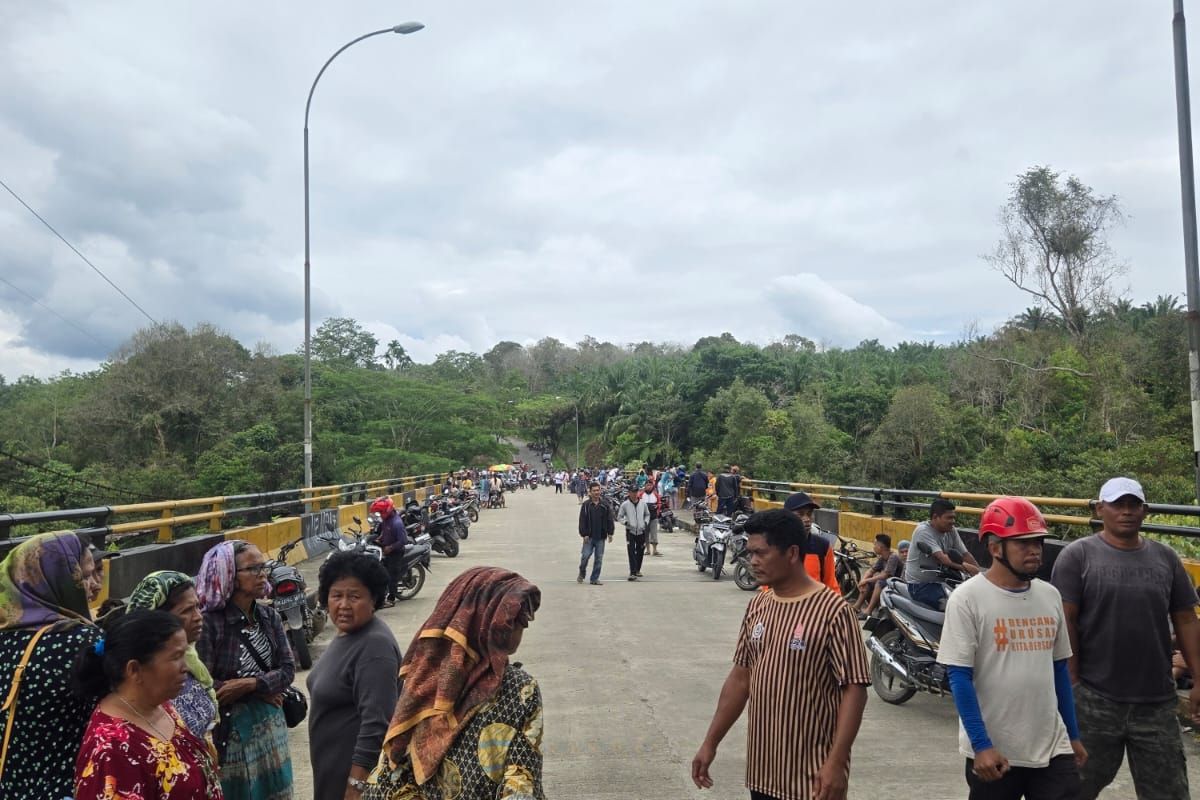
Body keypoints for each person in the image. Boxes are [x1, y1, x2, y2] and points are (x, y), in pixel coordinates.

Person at [692, 509, 869, 800]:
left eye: (761, 553)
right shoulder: (759, 605)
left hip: (813, 780)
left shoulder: (833, 611)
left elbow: (855, 689)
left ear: (792, 553)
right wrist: (710, 742)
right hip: (763, 775)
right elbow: (740, 679)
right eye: (750, 553)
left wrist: (836, 762)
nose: (753, 561)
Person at [1051, 477, 1200, 800]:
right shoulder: (1078, 556)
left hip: (1156, 702)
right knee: (1072, 789)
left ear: (1145, 510)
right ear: (1100, 508)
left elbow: (1186, 619)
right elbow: (1066, 622)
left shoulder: (1166, 559)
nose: (1127, 511)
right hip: (1095, 697)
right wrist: (1073, 684)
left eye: (1134, 504)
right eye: (1118, 504)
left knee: (1169, 792)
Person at [937, 496, 1086, 799]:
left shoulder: (1050, 596)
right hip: (996, 749)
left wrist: (1072, 735)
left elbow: (1059, 670)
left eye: (1038, 542)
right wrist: (981, 746)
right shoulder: (968, 599)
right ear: (995, 548)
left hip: (1050, 745)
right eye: (1023, 543)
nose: (1035, 551)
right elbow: (959, 677)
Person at [365, 567, 544, 800]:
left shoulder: (422, 680)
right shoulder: (520, 689)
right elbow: (522, 778)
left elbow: (394, 768)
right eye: (519, 621)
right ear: (492, 624)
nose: (524, 627)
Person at [73, 609, 223, 799]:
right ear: (134, 670)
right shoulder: (112, 752)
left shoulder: (160, 704)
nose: (185, 667)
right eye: (176, 657)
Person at [0, 531, 102, 800]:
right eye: (83, 575)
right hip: (66, 787)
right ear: (57, 579)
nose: (93, 585)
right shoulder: (83, 640)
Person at [196, 540, 295, 800]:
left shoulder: (268, 617)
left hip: (270, 729)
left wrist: (249, 685)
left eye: (263, 567)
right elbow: (201, 685)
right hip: (231, 734)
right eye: (253, 569)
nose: (262, 574)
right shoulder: (209, 624)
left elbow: (287, 670)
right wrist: (261, 688)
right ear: (229, 574)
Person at [308, 552, 402, 800]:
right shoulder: (347, 635)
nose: (343, 605)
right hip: (329, 772)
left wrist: (356, 786)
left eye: (354, 596)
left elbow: (376, 722)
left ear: (374, 600)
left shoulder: (375, 647)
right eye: (336, 595)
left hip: (349, 779)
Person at [126, 570, 219, 740]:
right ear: (158, 619)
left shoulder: (190, 660)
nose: (199, 617)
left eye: (198, 607)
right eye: (187, 610)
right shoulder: (149, 679)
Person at [904, 498, 980, 609]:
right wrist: (967, 567)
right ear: (935, 517)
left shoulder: (951, 530)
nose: (953, 521)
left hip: (944, 581)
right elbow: (942, 558)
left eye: (954, 517)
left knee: (970, 599)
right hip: (920, 585)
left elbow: (965, 554)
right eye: (949, 518)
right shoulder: (923, 531)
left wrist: (980, 575)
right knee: (953, 607)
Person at [782, 492, 841, 595]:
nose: (807, 519)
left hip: (814, 608)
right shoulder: (776, 546)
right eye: (800, 514)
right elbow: (768, 587)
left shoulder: (823, 546)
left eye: (809, 514)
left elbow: (831, 583)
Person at [851, 535, 903, 618]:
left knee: (879, 583)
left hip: (896, 583)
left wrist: (867, 580)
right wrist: (863, 580)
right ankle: (856, 607)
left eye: (875, 545)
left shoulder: (893, 557)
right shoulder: (882, 557)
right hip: (886, 582)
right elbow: (871, 570)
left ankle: (868, 611)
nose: (874, 547)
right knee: (867, 583)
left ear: (880, 547)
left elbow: (885, 575)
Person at [372, 497, 409, 608]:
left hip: (396, 553)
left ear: (387, 510)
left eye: (380, 512)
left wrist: (391, 547)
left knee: (391, 576)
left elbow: (403, 540)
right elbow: (385, 531)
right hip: (386, 549)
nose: (379, 514)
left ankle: (391, 599)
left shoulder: (397, 523)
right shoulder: (386, 520)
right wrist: (380, 538)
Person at [578, 481, 615, 584]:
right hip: (588, 537)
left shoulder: (605, 505)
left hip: (600, 537)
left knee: (598, 558)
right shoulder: (586, 505)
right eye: (594, 491)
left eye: (598, 490)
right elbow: (582, 520)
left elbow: (609, 519)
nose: (596, 492)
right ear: (590, 492)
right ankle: (582, 572)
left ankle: (594, 578)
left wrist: (610, 533)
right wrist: (584, 533)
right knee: (585, 557)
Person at [617, 485, 651, 581]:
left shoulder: (643, 504)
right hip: (630, 531)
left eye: (636, 492)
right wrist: (626, 523)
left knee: (640, 551)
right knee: (631, 551)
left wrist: (645, 522)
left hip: (641, 531)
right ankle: (632, 572)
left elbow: (647, 514)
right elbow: (619, 516)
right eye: (632, 492)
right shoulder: (625, 504)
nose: (634, 494)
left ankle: (637, 569)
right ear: (629, 493)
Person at [643, 482, 662, 558]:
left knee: (654, 534)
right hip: (644, 517)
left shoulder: (655, 494)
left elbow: (659, 503)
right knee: (645, 534)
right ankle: (647, 550)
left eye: (650, 485)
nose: (649, 487)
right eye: (647, 485)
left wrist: (657, 507)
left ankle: (655, 550)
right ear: (645, 486)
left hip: (653, 517)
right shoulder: (641, 494)